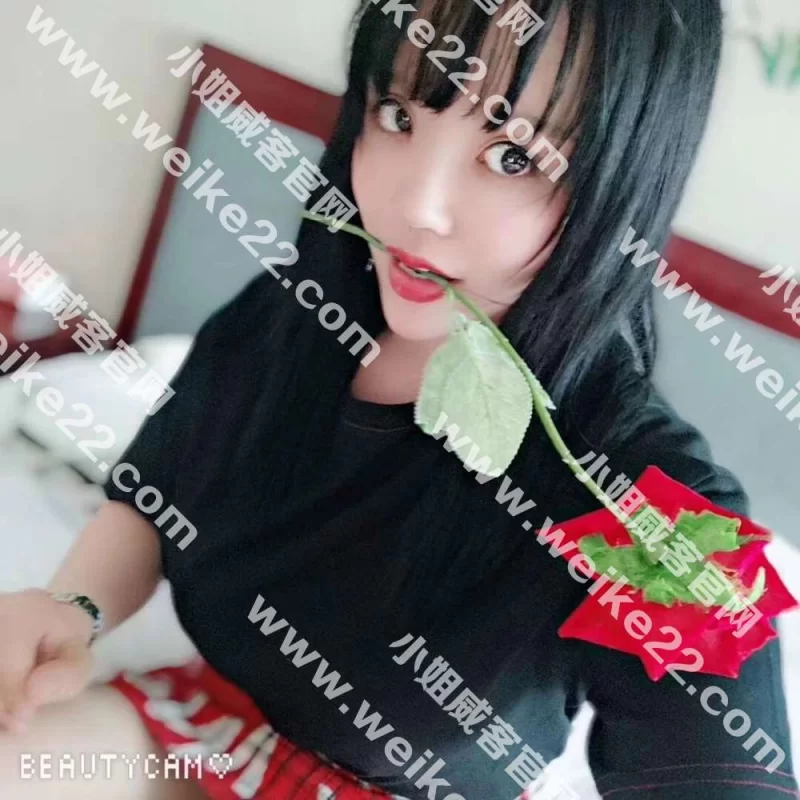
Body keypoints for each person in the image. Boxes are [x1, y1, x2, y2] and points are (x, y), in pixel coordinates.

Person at [0, 0, 796, 798]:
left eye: (513, 157)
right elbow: (153, 495)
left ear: (625, 182)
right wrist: (74, 609)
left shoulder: (657, 511)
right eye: (399, 115)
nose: (416, 206)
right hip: (204, 727)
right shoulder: (294, 315)